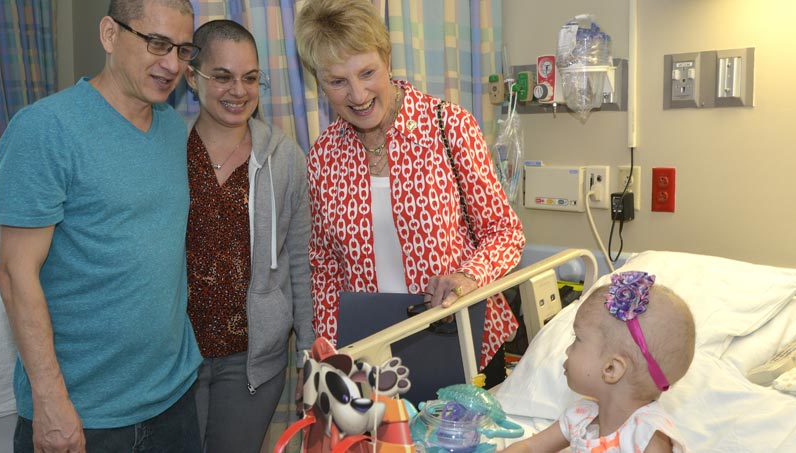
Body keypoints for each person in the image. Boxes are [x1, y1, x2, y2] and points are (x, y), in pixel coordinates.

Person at [0, 1, 202, 451]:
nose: (170, 64)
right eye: (156, 43)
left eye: (183, 50)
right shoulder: (45, 129)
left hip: (173, 401)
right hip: (83, 414)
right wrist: (50, 402)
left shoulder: (172, 128)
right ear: (110, 35)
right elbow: (14, 274)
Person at [294, 0, 525, 378]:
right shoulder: (323, 157)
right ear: (320, 85)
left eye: (367, 72)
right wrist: (332, 352)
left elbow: (504, 232)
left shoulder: (449, 128)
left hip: (463, 337)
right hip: (372, 356)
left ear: (387, 60)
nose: (357, 94)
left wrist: (468, 276)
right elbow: (324, 265)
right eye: (338, 81)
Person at [183, 20, 314, 452]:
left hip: (251, 362)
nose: (238, 90)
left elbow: (301, 262)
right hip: (174, 356)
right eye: (222, 76)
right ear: (191, 75)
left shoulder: (284, 158)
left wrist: (311, 355)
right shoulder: (166, 150)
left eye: (250, 78)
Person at [503, 271, 696, 452]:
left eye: (577, 339)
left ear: (611, 368)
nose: (568, 349)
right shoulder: (581, 415)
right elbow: (530, 447)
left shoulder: (648, 437)